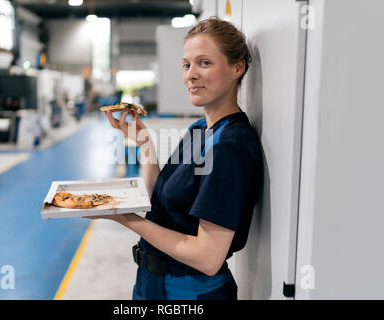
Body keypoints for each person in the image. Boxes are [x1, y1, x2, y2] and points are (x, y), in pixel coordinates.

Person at [95, 17, 263, 300]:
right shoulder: (200, 131)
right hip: (153, 283)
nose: (191, 75)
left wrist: (127, 219)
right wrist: (144, 143)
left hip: (189, 291)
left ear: (237, 68)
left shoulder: (230, 147)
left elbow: (208, 257)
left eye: (204, 63)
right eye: (187, 65)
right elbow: (160, 198)